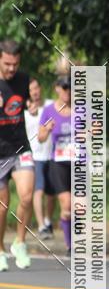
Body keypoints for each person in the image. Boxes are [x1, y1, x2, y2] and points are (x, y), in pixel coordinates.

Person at [0, 40, 34, 270]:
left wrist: (32, 106)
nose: (12, 68)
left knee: (27, 196)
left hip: (21, 147)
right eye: (7, 64)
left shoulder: (23, 80)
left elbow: (30, 101)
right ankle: (0, 248)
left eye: (15, 64)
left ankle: (20, 243)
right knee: (2, 206)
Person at [38, 75, 74, 254]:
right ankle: (71, 246)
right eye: (65, 87)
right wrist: (47, 130)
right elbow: (41, 137)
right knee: (67, 204)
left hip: (79, 161)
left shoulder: (82, 108)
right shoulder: (48, 111)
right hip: (58, 162)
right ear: (57, 89)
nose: (68, 91)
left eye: (71, 87)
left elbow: (95, 129)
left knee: (80, 207)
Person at [25, 78, 55, 238]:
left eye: (36, 88)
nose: (35, 92)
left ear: (40, 88)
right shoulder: (24, 111)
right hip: (34, 155)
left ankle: (48, 220)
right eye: (31, 90)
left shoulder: (51, 105)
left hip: (52, 153)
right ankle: (41, 225)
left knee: (52, 192)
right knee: (39, 189)